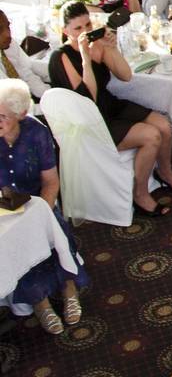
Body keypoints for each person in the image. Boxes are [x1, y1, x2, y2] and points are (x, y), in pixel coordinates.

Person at [48, 1, 172, 217]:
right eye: (78, 29)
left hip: (110, 105)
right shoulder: (61, 58)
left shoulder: (97, 45)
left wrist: (110, 48)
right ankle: (140, 194)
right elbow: (89, 99)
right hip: (90, 119)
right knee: (151, 136)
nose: (85, 32)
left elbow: (126, 75)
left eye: (87, 25)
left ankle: (165, 171)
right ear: (65, 31)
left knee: (163, 125)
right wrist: (86, 59)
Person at [0, 79, 89, 334]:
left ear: (21, 114)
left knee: (52, 232)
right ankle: (41, 304)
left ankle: (68, 289)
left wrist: (41, 217)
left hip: (39, 203)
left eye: (3, 116)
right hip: (4, 210)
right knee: (13, 245)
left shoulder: (35, 134)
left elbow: (51, 182)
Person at [0, 9, 49, 100]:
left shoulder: (8, 43)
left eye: (8, 26)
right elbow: (9, 100)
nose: (8, 34)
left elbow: (25, 72)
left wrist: (48, 95)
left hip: (25, 96)